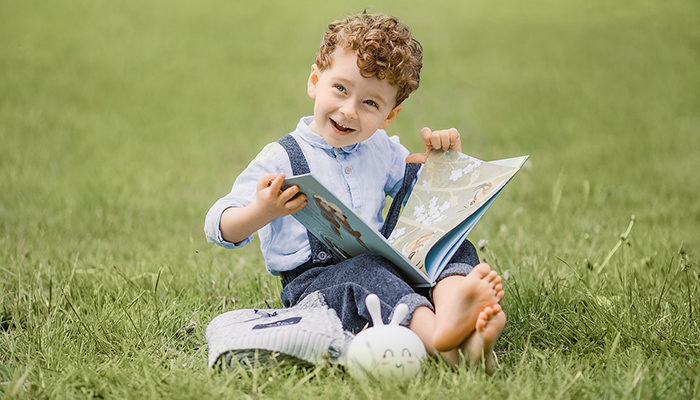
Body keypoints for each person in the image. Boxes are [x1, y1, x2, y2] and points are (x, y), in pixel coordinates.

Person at [205, 12, 505, 373]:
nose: (349, 111)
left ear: (389, 115)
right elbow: (218, 225)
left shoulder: (380, 148)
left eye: (370, 104)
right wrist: (261, 211)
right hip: (317, 286)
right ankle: (443, 336)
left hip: (387, 266)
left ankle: (459, 311)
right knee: (366, 272)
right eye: (341, 89)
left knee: (448, 239)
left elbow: (422, 199)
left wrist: (442, 162)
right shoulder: (282, 156)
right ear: (315, 81)